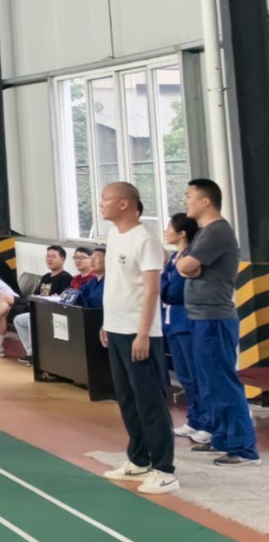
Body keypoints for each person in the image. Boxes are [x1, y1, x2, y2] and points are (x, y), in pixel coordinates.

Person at [96, 182, 176, 494]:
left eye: (105, 199)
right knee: (127, 399)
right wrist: (107, 322)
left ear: (125, 204)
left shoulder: (145, 240)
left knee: (149, 401)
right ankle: (139, 459)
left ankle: (164, 470)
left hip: (139, 333)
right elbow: (116, 284)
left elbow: (152, 290)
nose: (100, 204)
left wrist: (143, 334)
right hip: (116, 328)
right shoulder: (114, 235)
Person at [176, 178, 260, 467]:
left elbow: (185, 265)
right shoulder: (204, 233)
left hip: (214, 318)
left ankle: (244, 449)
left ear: (205, 201)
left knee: (223, 382)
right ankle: (222, 437)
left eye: (189, 196)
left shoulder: (217, 231)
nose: (185, 200)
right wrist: (188, 265)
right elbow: (186, 266)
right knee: (209, 383)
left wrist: (188, 264)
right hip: (201, 317)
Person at [160, 213, 207, 446]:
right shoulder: (173, 257)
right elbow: (164, 285)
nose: (165, 231)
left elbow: (174, 291)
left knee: (196, 375)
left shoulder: (189, 257)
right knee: (184, 376)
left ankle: (206, 422)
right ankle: (194, 419)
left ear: (182, 233)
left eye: (169, 227)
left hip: (186, 321)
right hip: (172, 322)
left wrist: (164, 287)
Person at [16, 245, 73, 361]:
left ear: (62, 259)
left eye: (54, 257)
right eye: (48, 256)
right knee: (19, 320)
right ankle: (31, 352)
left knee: (31, 320)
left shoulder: (65, 277)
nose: (49, 259)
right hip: (39, 309)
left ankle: (38, 355)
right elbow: (35, 294)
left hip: (52, 312)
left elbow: (61, 299)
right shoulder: (46, 277)